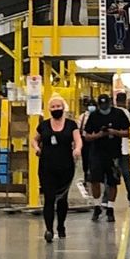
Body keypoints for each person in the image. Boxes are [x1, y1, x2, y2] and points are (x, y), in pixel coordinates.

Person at [34, 95, 81, 243]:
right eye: (53, 107)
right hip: (47, 166)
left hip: (66, 166)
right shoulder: (44, 125)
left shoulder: (71, 125)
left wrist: (77, 150)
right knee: (49, 198)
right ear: (49, 109)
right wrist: (36, 148)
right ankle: (49, 229)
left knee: (62, 200)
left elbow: (78, 140)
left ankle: (61, 226)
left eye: (58, 106)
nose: (56, 109)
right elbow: (35, 139)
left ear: (63, 107)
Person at [80, 92, 126, 219]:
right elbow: (87, 136)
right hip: (97, 153)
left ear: (110, 103)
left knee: (113, 181)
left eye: (106, 105)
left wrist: (114, 132)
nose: (104, 108)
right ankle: (97, 206)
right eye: (102, 105)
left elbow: (128, 132)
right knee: (95, 180)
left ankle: (110, 208)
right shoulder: (94, 116)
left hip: (113, 153)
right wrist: (98, 135)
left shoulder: (119, 114)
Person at [109, 92, 130, 202]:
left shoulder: (114, 112)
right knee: (126, 174)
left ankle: (106, 200)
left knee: (110, 175)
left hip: (113, 149)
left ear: (116, 100)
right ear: (125, 100)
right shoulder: (126, 112)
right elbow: (127, 131)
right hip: (124, 149)